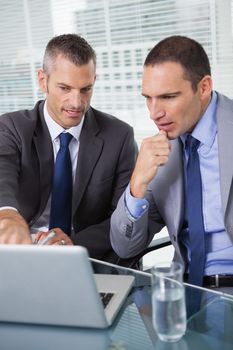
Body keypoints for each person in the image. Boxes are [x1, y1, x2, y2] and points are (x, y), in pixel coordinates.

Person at [0, 33, 137, 264]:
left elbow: (121, 221)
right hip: (23, 253)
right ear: (43, 80)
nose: (76, 102)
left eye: (86, 89)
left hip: (84, 259)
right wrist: (6, 214)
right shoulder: (12, 127)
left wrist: (73, 245)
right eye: (65, 88)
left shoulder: (119, 136)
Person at [110, 35, 233, 289]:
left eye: (168, 97)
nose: (154, 113)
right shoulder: (160, 149)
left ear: (203, 87)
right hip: (183, 291)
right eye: (148, 98)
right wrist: (137, 184)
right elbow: (124, 246)